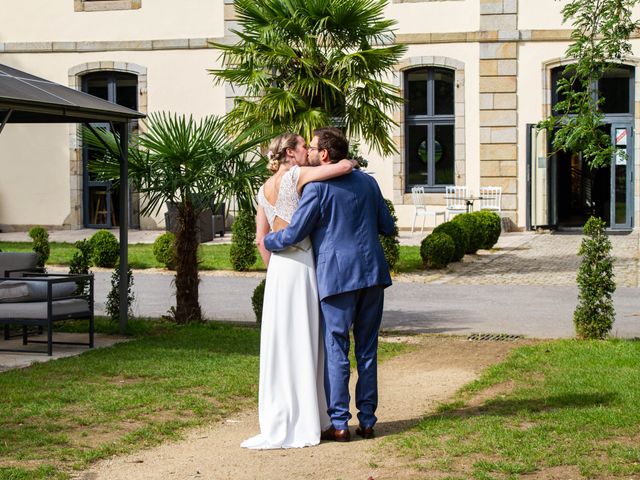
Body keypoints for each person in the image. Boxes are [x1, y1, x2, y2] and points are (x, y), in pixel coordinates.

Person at [263, 127, 395, 442]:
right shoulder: (368, 182)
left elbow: (295, 234)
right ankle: (367, 421)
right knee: (367, 349)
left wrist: (269, 239)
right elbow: (387, 226)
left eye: (312, 147)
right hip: (372, 273)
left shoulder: (317, 190)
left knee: (337, 348)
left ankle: (339, 422)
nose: (307, 151)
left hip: (337, 278)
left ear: (323, 154)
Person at [241, 132, 356, 450]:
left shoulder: (263, 190)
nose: (309, 150)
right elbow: (342, 168)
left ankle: (284, 414)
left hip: (279, 269)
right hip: (303, 264)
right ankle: (313, 415)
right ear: (290, 153)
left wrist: (274, 270)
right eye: (304, 146)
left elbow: (260, 238)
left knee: (283, 342)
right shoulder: (296, 174)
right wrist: (352, 160)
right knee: (308, 338)